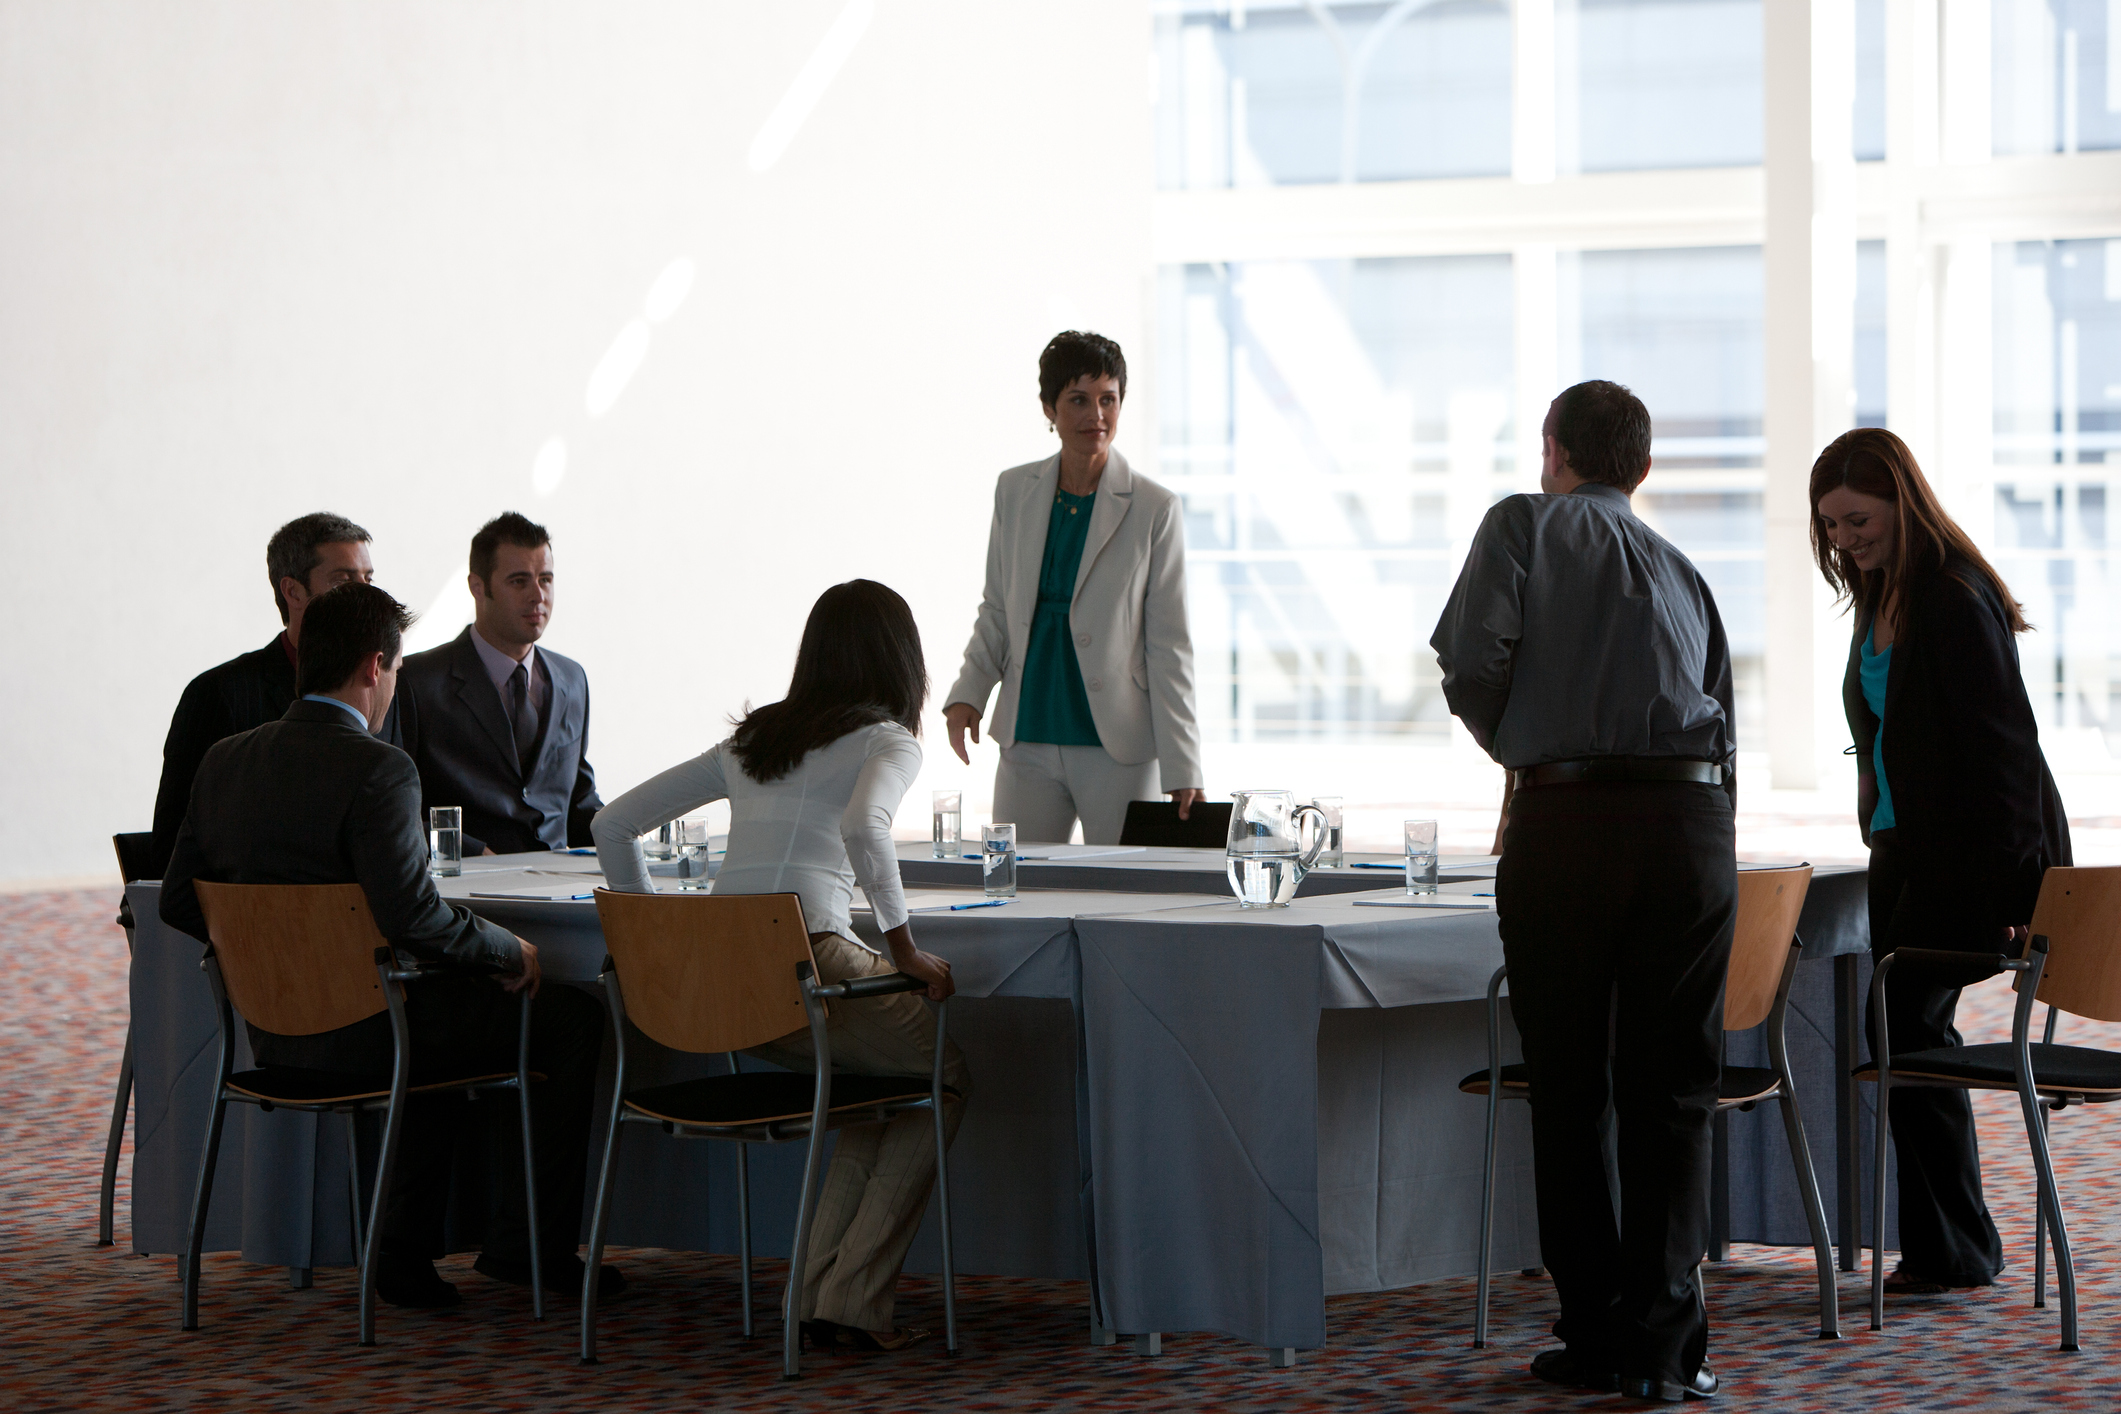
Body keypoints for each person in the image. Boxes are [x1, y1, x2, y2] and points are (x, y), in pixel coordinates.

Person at [159, 583, 617, 1309]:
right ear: (374, 666)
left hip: (269, 1035)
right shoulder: (378, 768)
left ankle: (405, 1252)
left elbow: (182, 899)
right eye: (397, 671)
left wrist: (266, 960)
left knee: (433, 1012)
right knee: (568, 1019)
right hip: (372, 1036)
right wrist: (507, 950)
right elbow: (414, 918)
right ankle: (525, 1247)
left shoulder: (224, 761)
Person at [1432, 380, 1737, 1404]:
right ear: (1640, 469)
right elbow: (1724, 723)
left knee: (1571, 1087)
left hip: (1571, 822)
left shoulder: (1523, 522)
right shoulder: (1687, 570)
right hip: (1693, 828)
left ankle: (1597, 1328)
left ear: (1553, 450)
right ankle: (1665, 1343)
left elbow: (1470, 657)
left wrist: (1527, 746)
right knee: (1675, 1090)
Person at [593, 579, 966, 1352]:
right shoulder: (888, 740)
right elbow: (868, 828)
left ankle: (819, 1298)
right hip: (808, 967)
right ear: (904, 662)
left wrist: (651, 935)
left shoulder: (750, 741)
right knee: (943, 1075)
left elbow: (612, 823)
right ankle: (847, 1299)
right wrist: (902, 949)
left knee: (883, 1091)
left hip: (724, 981)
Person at [1811, 427, 2071, 1295]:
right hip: (1901, 854)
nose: (1845, 540)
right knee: (1906, 1034)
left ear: (1901, 503)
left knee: (1905, 1030)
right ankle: (1950, 1247)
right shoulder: (1881, 598)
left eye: (1857, 519)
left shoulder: (1953, 599)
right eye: (1832, 528)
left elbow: (2004, 757)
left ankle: (1950, 1250)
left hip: (1965, 864)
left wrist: (2014, 889)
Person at [942, 331, 1203, 845]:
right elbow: (997, 607)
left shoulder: (1155, 507)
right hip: (1027, 737)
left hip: (1118, 745)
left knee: (1123, 899)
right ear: (1049, 408)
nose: (1097, 415)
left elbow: (1170, 645)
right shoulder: (1014, 490)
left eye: (1108, 399)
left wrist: (1183, 762)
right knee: (1023, 893)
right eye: (1078, 400)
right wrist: (968, 692)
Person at [151, 512, 403, 877]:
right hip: (253, 919)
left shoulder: (390, 680)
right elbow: (173, 848)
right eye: (343, 580)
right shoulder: (219, 694)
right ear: (292, 591)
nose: (366, 594)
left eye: (368, 578)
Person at [398, 512, 602, 857]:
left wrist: (628, 841)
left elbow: (580, 800)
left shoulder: (572, 678)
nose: (538, 596)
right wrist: (471, 851)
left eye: (546, 579)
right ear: (477, 587)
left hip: (558, 887)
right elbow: (395, 808)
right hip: (466, 891)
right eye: (519, 581)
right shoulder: (417, 682)